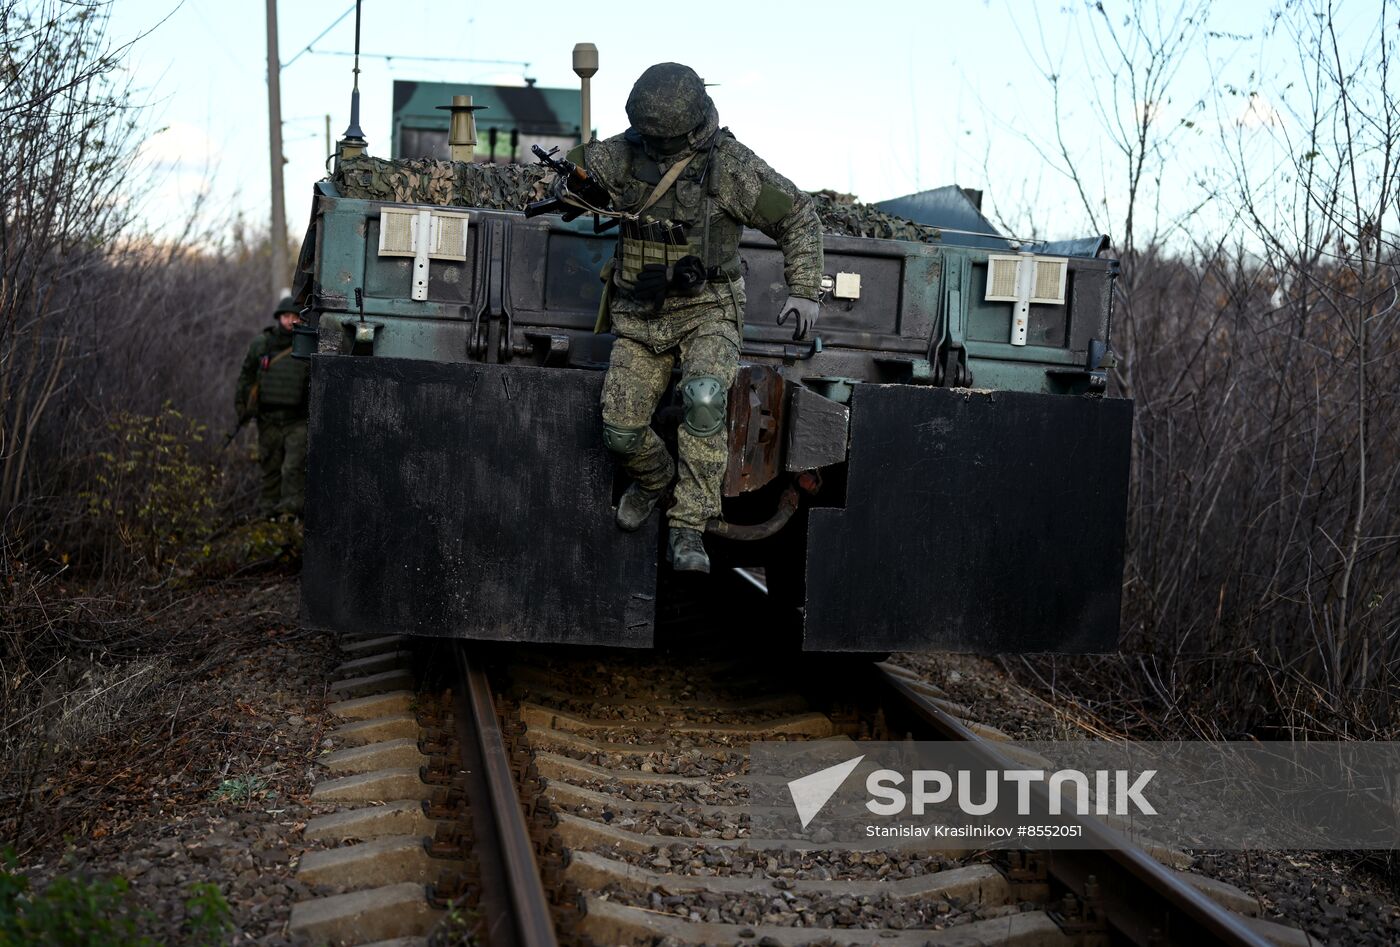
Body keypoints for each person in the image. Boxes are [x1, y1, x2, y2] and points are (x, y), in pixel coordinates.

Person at [565, 62, 823, 573]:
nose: (656, 147)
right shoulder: (627, 149)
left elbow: (796, 214)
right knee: (619, 431)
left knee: (704, 400)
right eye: (650, 137)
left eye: (665, 139)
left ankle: (689, 528)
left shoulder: (728, 165)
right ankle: (656, 478)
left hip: (708, 309)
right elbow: (574, 172)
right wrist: (576, 189)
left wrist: (805, 289)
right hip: (640, 316)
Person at [235, 297, 310, 518]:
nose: (291, 321)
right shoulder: (263, 344)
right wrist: (243, 407)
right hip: (268, 419)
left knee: (293, 469)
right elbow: (246, 376)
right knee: (270, 468)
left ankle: (289, 515)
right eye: (287, 317)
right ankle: (267, 516)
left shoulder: (309, 343)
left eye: (296, 317)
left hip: (297, 419)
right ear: (279, 318)